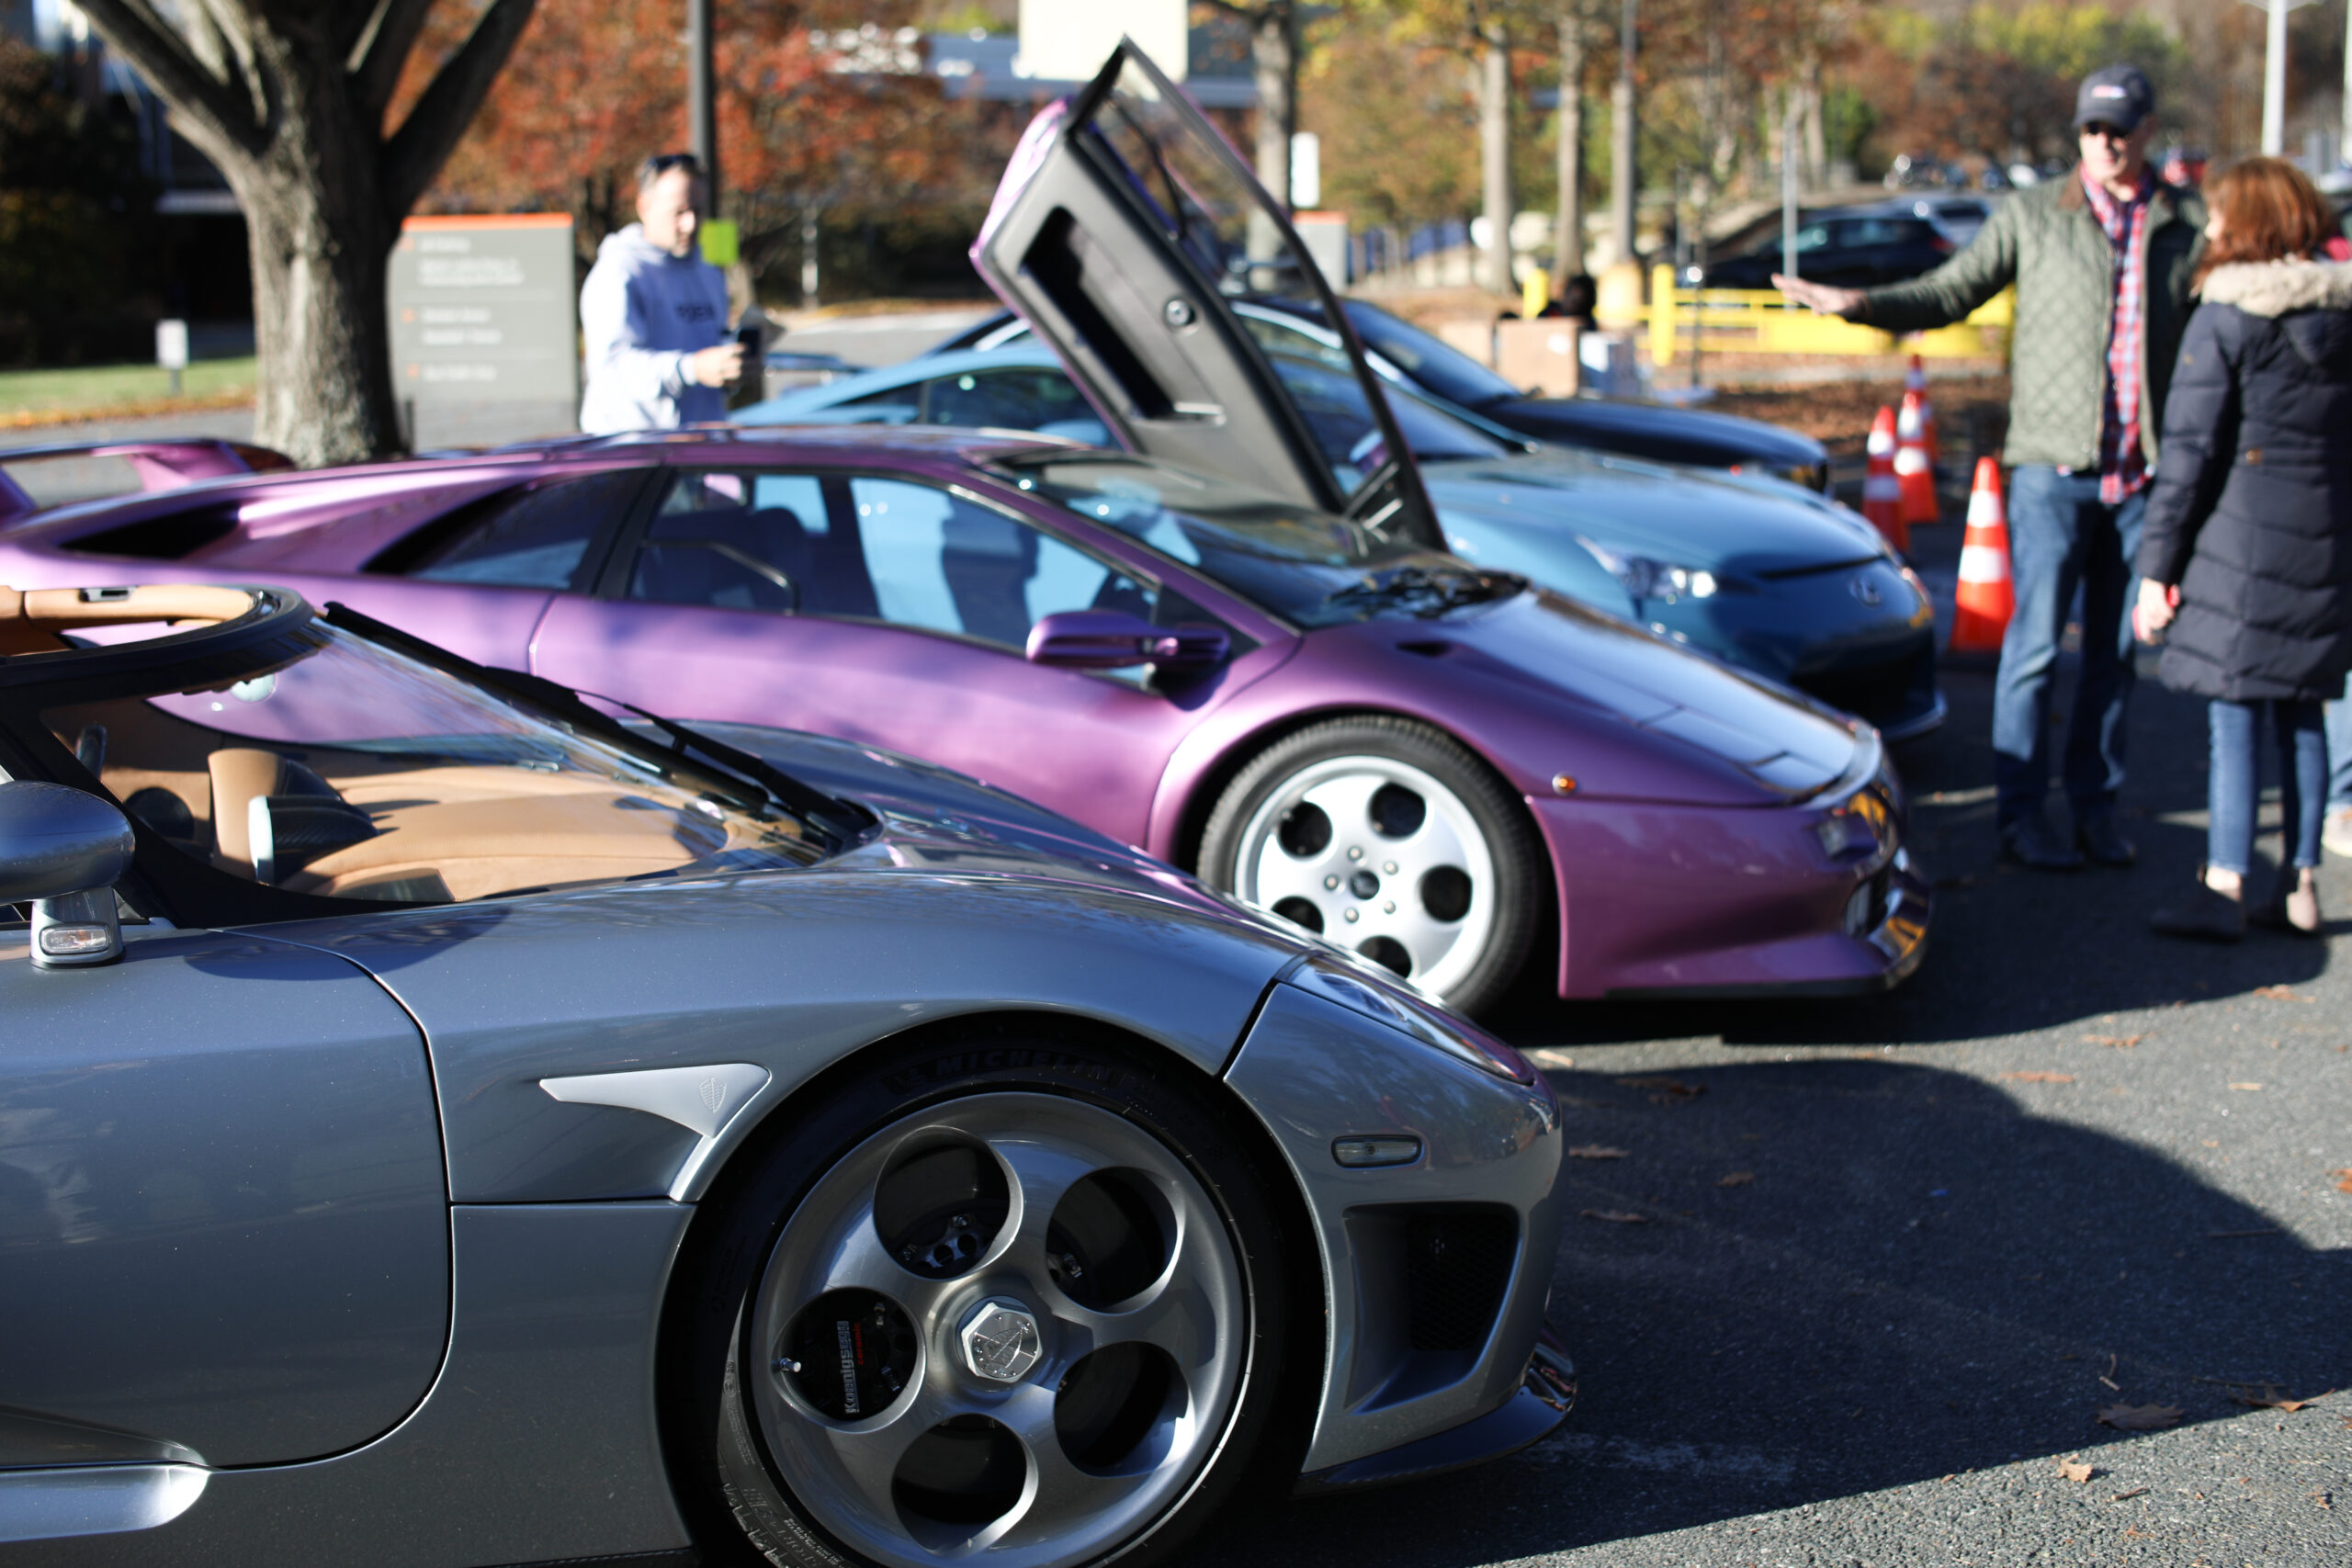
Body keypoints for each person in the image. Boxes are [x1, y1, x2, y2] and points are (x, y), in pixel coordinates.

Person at [1773, 65, 2206, 871]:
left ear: (2148, 131)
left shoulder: (2184, 224)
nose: (2104, 144)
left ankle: (2095, 807)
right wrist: (1861, 304)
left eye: (2118, 129)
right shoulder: (2036, 215)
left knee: (2114, 656)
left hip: (2142, 478)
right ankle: (2018, 815)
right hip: (2051, 467)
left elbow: (2224, 319)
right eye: (2091, 130)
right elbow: (1951, 291)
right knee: (2035, 647)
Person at [2134, 158, 2352, 941]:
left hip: (2238, 551)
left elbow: (2188, 458)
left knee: (2235, 720)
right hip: (2327, 550)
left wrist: (2156, 570)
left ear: (2251, 221)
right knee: (2304, 716)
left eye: (2223, 215)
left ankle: (2223, 882)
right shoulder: (2341, 314)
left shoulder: (2225, 315)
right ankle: (2299, 885)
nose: (2212, 229)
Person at [579, 152, 744, 434]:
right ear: (644, 207)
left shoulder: (708, 271)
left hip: (703, 446)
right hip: (636, 453)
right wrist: (691, 369)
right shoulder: (619, 272)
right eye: (678, 212)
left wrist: (732, 366)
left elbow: (709, 347)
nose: (690, 224)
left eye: (698, 211)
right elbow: (614, 369)